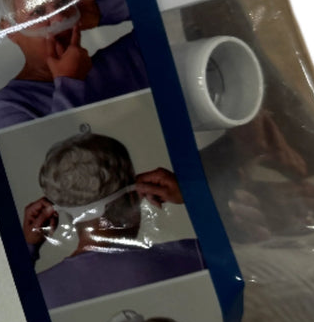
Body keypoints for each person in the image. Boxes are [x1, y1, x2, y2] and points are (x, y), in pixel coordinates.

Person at [23, 131, 203, 309]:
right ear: (133, 196)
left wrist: (27, 249)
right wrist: (193, 193)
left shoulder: (36, 292)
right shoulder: (192, 257)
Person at [0, 0, 147, 129]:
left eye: (63, 3)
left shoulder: (123, 64)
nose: (59, 18)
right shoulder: (7, 108)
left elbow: (159, 6)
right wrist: (70, 84)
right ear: (10, 30)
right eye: (38, 11)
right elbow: (64, 146)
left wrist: (100, 10)